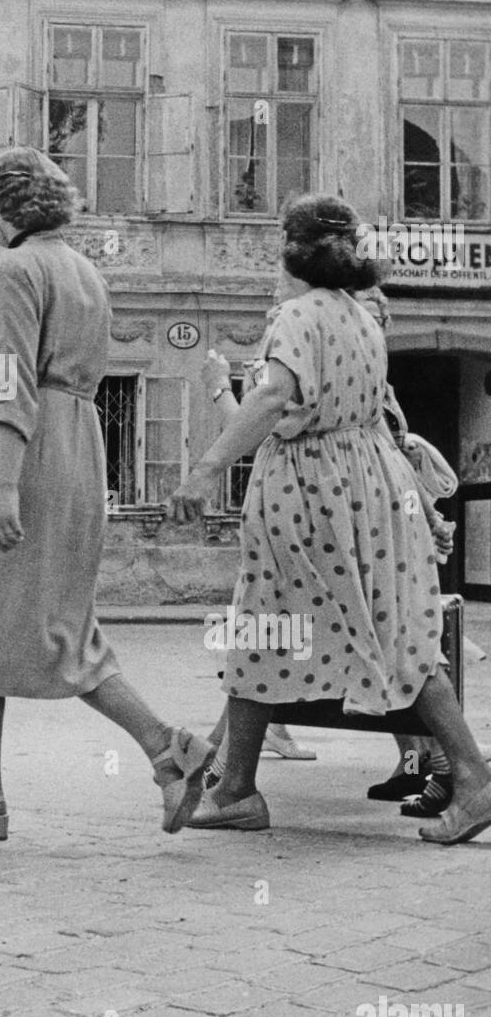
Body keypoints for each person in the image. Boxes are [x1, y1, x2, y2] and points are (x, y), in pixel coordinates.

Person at [168, 195, 491, 844]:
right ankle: (470, 774)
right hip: (371, 483)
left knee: (261, 627)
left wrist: (207, 468)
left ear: (294, 248)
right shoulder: (362, 317)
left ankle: (235, 790)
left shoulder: (298, 315)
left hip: (307, 487)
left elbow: (274, 397)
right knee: (394, 632)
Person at [0, 148, 215, 843]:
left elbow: (9, 383)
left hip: (21, 453)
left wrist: (0, 489)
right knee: (64, 629)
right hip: (79, 447)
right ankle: (167, 749)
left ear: (6, 206)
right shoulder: (85, 271)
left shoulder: (15, 268)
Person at [351, 286, 457, 818]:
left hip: (388, 530)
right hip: (377, 526)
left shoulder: (376, 388)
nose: (368, 328)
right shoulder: (363, 379)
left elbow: (399, 463)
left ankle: (445, 766)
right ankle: (419, 763)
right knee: (388, 648)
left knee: (402, 647)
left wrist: (432, 522)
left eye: (375, 319)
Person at [199, 337, 317, 786]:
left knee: (270, 627)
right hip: (306, 507)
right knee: (269, 630)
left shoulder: (300, 347)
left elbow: (256, 429)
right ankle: (228, 755)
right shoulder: (341, 352)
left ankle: (444, 760)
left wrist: (217, 389)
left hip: (295, 507)